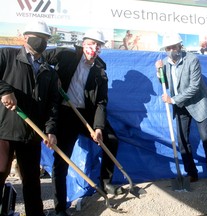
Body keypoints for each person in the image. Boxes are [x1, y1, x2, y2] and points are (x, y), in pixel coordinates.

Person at [43, 29, 123, 216]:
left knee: (111, 140)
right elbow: (40, 59)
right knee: (61, 159)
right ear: (83, 43)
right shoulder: (65, 55)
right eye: (90, 43)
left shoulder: (99, 72)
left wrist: (98, 127)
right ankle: (60, 207)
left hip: (86, 114)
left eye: (97, 45)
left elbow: (101, 102)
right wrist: (51, 78)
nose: (93, 47)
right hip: (64, 112)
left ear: (100, 48)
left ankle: (106, 183)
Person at [0, 20, 59, 216]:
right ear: (25, 37)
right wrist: (5, 90)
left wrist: (50, 130)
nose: (41, 41)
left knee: (32, 180)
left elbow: (52, 104)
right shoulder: (7, 55)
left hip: (32, 133)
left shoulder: (49, 71)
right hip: (5, 129)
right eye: (37, 36)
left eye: (44, 38)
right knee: (0, 171)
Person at [155, 33, 207, 188]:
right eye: (168, 48)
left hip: (198, 103)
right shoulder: (164, 62)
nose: (171, 50)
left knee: (206, 138)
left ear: (180, 46)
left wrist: (173, 100)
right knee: (182, 141)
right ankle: (191, 174)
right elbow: (164, 82)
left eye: (174, 47)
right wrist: (159, 71)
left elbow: (194, 87)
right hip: (181, 106)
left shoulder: (192, 60)